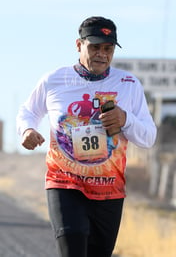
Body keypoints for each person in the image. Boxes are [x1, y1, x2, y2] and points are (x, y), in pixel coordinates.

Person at [16, 16, 157, 257]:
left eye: (108, 48)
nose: (102, 54)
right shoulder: (54, 80)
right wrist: (27, 130)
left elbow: (148, 137)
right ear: (78, 45)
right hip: (64, 182)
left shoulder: (128, 84)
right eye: (94, 47)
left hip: (108, 188)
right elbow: (28, 111)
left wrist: (126, 120)